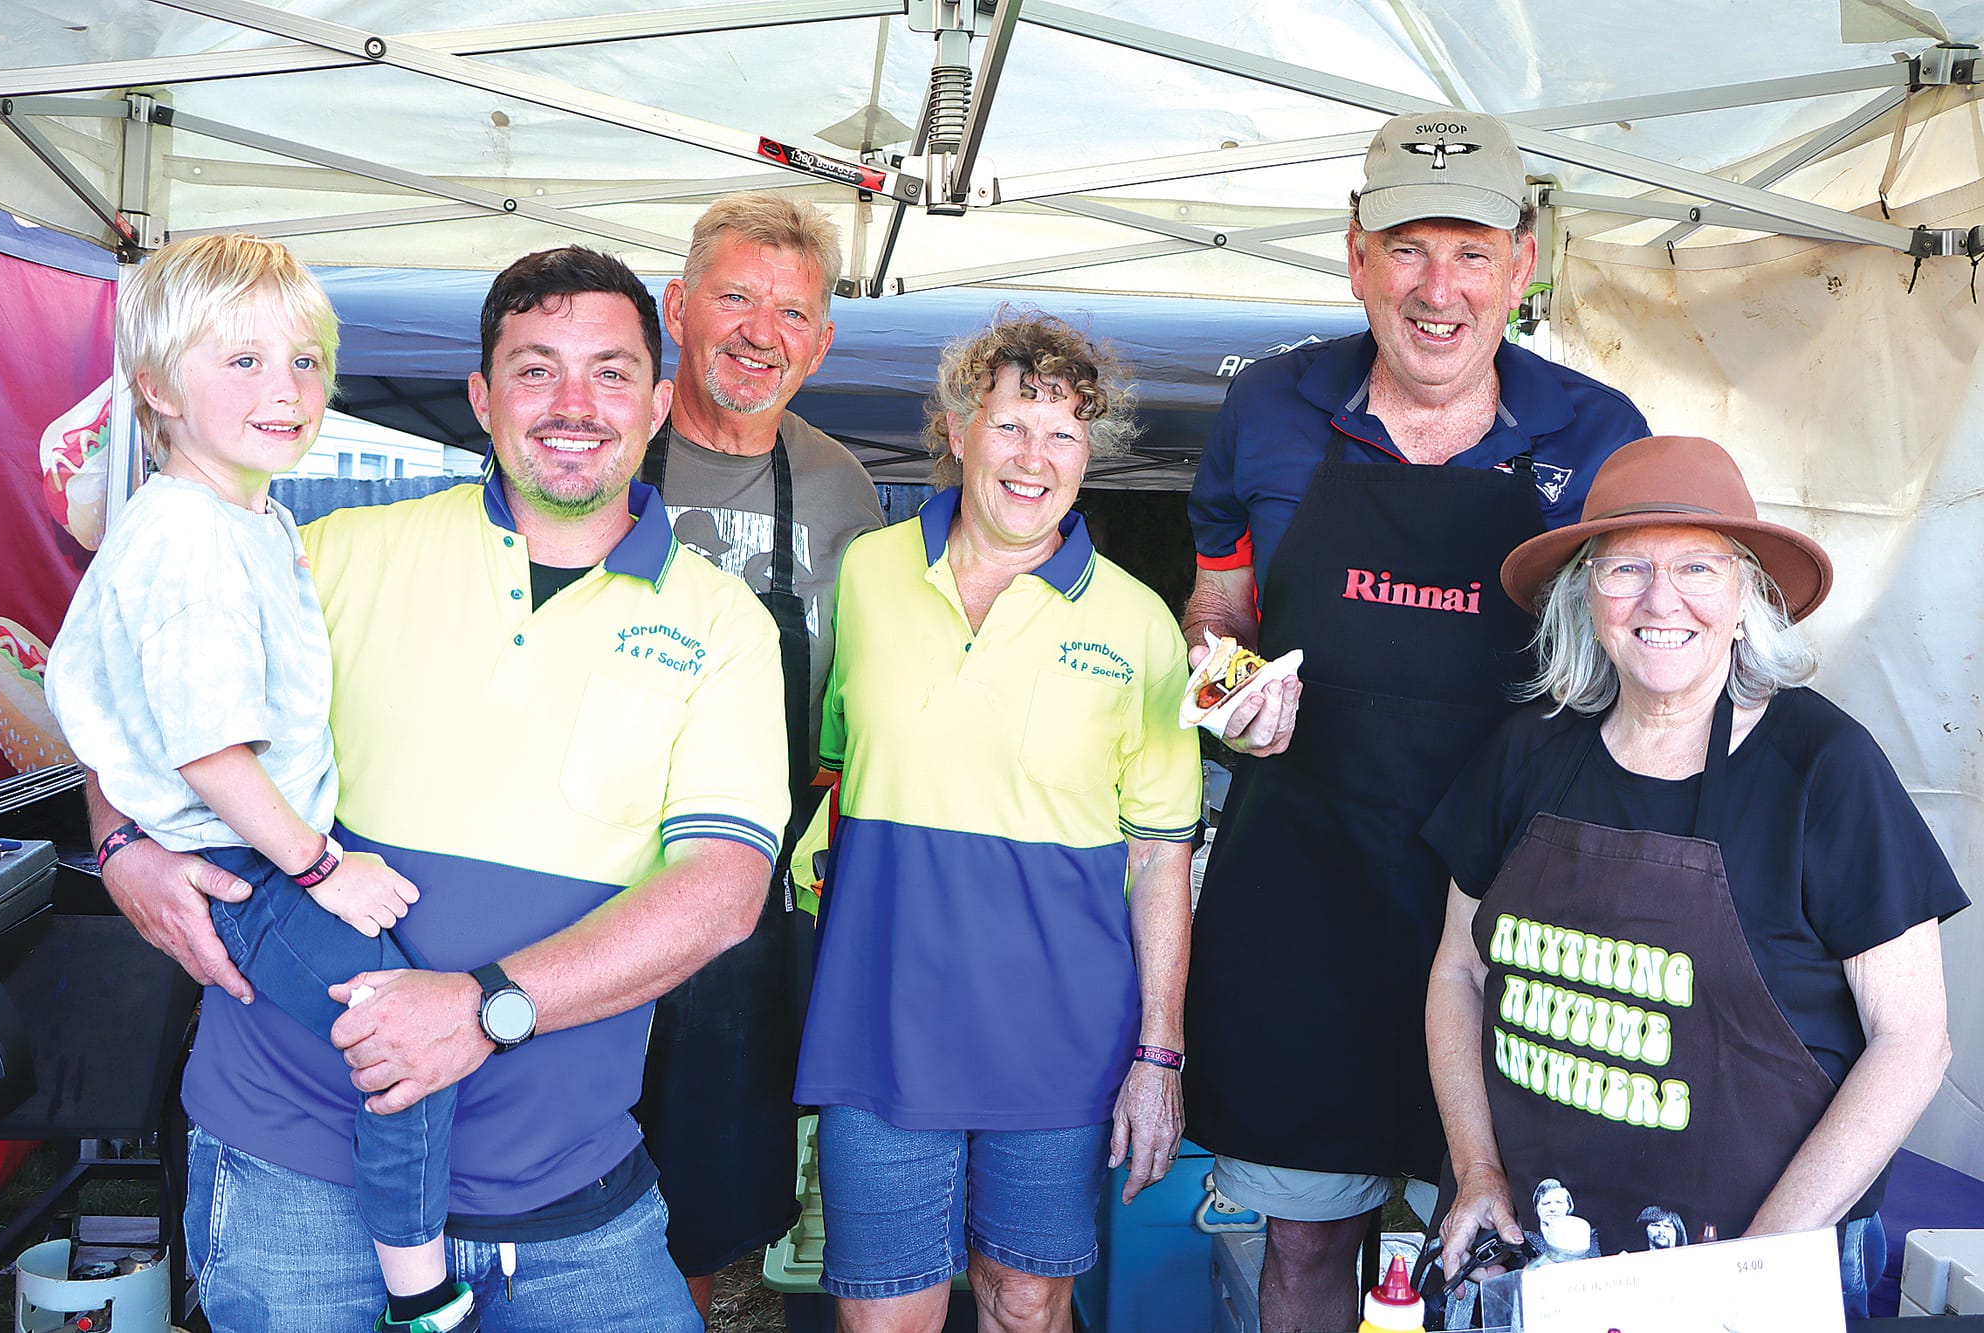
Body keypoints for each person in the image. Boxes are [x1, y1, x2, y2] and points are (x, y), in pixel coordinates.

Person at [89, 244, 790, 1332]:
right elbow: (140, 685)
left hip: (563, 1189)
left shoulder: (722, 623)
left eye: (608, 372)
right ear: (479, 397)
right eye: (533, 369)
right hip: (291, 1162)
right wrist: (121, 841)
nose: (572, 404)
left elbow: (723, 891)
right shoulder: (322, 552)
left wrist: (485, 1008)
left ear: (658, 402)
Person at [1181, 109, 1651, 1329]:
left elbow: (1644, 659)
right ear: (1352, 256)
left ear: (1522, 262)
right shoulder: (1269, 408)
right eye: (1404, 249)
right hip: (1304, 898)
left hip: (1514, 911)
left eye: (1470, 251)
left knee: (1514, 1255)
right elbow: (1214, 610)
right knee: (1302, 1247)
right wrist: (1227, 700)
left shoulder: (1598, 437)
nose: (1436, 289)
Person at [1422, 435, 1966, 1318]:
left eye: (1699, 570)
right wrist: (1478, 1170)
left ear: (1748, 596)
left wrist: (1751, 1270)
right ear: (1584, 599)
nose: (1659, 599)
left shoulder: (1822, 768)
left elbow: (1913, 1041)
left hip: (1753, 1264)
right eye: (1624, 567)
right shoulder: (1526, 753)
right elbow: (1457, 969)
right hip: (1534, 1257)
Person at [45, 232, 475, 1333]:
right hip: (251, 859)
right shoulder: (190, 539)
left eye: (305, 361)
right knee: (400, 1038)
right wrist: (320, 865)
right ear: (154, 388)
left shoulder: (250, 519)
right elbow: (205, 749)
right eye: (241, 361)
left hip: (250, 842)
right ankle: (420, 1285)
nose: (285, 388)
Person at [793, 312, 1201, 1333]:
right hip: (880, 1012)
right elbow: (834, 767)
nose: (1034, 457)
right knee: (885, 1315)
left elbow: (1159, 854)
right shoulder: (868, 574)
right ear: (957, 430)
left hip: (1058, 1033)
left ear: (1087, 455)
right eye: (1013, 424)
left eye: (1063, 434)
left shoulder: (1137, 622)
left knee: (1026, 1300)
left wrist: (1158, 1056)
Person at [628, 193, 885, 1315]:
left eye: (790, 311)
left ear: (820, 343)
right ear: (677, 309)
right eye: (733, 297)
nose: (757, 330)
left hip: (742, 905)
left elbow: (865, 703)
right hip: (578, 875)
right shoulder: (605, 445)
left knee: (712, 1202)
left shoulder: (842, 489)